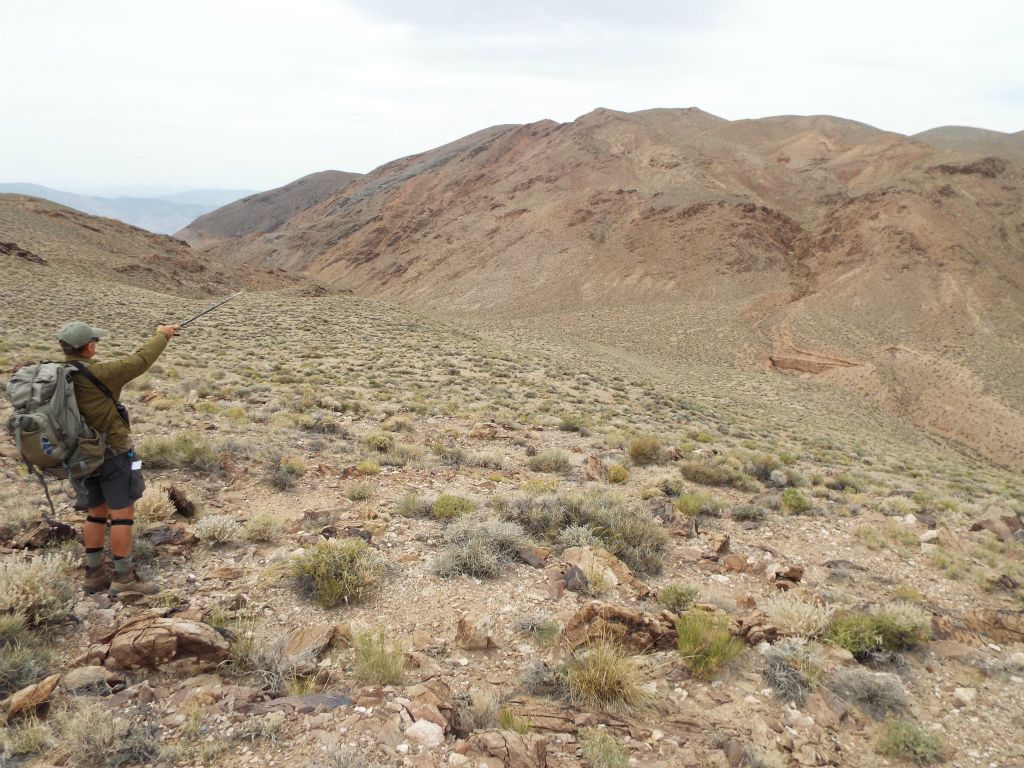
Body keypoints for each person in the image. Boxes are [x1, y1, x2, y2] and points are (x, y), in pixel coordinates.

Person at [57, 321, 180, 596]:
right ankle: (124, 578)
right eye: (94, 342)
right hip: (112, 454)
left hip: (78, 456)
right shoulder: (101, 373)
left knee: (95, 513)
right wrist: (162, 335)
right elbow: (141, 360)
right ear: (89, 347)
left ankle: (94, 573)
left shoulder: (56, 376)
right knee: (122, 515)